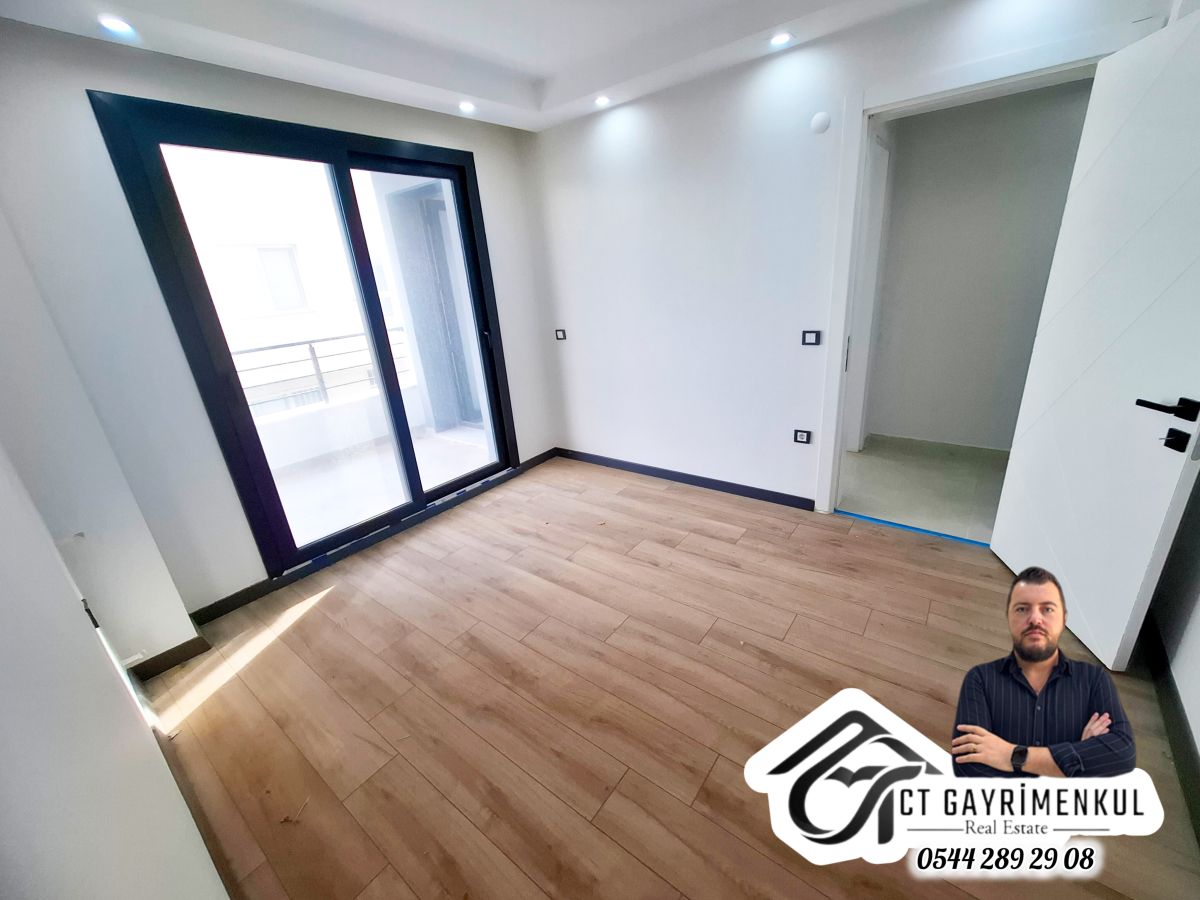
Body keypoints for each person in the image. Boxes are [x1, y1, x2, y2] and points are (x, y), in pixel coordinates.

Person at [950, 566, 1136, 777]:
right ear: (1008, 617)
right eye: (1022, 609)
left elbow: (1123, 752)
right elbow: (968, 769)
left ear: (1064, 619)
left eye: (1047, 609)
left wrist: (1012, 755)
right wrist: (1077, 762)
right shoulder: (981, 679)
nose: (1035, 619)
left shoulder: (1093, 679)